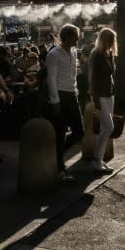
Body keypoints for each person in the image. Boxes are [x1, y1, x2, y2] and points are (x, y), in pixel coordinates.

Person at [45, 24, 84, 169]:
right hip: (60, 95)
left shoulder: (73, 52)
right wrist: (55, 100)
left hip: (72, 94)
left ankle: (55, 155)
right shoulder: (54, 54)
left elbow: (73, 74)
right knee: (60, 132)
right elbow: (51, 78)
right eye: (75, 37)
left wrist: (76, 91)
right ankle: (59, 166)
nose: (77, 40)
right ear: (67, 37)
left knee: (79, 131)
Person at [89, 28, 116, 174]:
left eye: (113, 39)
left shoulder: (109, 53)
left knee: (103, 128)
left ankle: (99, 160)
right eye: (110, 39)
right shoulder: (97, 54)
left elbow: (110, 74)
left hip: (110, 93)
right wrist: (95, 97)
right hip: (101, 95)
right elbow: (93, 78)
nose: (112, 42)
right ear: (104, 39)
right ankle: (96, 159)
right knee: (109, 127)